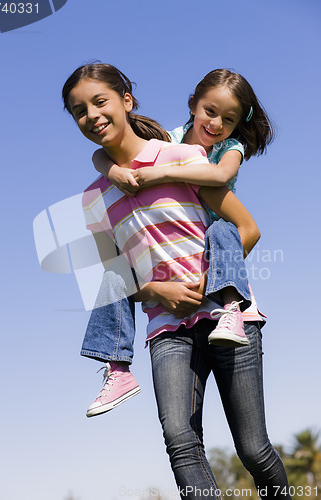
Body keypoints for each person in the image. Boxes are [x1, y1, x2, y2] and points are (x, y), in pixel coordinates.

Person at [62, 63, 291, 499]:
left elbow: (246, 228)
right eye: (79, 110)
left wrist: (209, 281)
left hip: (227, 313)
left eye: (100, 101)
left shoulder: (181, 156)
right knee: (181, 447)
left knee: (254, 449)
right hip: (164, 327)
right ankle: (116, 370)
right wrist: (152, 290)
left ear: (126, 101)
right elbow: (114, 277)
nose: (91, 115)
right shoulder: (93, 198)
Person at [84, 68, 272, 417]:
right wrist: (112, 172)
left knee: (221, 232)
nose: (216, 124)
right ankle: (117, 366)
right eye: (210, 112)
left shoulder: (229, 148)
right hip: (178, 252)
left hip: (218, 238)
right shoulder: (169, 141)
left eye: (228, 119)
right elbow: (101, 154)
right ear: (193, 105)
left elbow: (219, 175)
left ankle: (231, 308)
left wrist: (162, 172)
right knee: (114, 276)